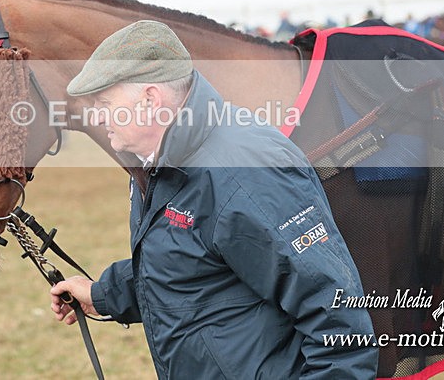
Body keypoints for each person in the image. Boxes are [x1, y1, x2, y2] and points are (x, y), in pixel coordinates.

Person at [50, 20, 378, 378]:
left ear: (150, 99)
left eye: (104, 103)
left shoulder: (245, 171)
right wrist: (104, 295)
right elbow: (191, 265)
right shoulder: (163, 163)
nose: (97, 117)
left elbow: (337, 318)